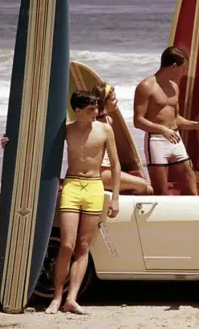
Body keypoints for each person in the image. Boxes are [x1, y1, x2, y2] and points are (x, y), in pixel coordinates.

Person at [45, 90, 120, 314]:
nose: (96, 112)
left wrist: (115, 198)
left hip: (95, 186)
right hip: (72, 186)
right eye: (90, 109)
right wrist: (7, 142)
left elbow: (115, 165)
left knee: (84, 246)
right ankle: (56, 297)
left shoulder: (105, 129)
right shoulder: (66, 130)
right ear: (77, 111)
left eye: (97, 108)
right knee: (67, 244)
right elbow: (42, 150)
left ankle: (72, 299)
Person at [133, 46, 199, 195]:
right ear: (174, 67)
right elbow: (138, 121)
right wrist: (162, 129)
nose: (184, 73)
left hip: (175, 139)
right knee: (161, 192)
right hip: (156, 141)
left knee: (191, 187)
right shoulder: (146, 87)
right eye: (183, 68)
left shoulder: (174, 87)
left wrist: (196, 125)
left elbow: (175, 118)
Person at [90, 83, 153, 195]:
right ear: (104, 102)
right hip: (101, 173)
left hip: (108, 170)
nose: (117, 101)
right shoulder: (93, 124)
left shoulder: (109, 120)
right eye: (113, 99)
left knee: (146, 185)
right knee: (145, 187)